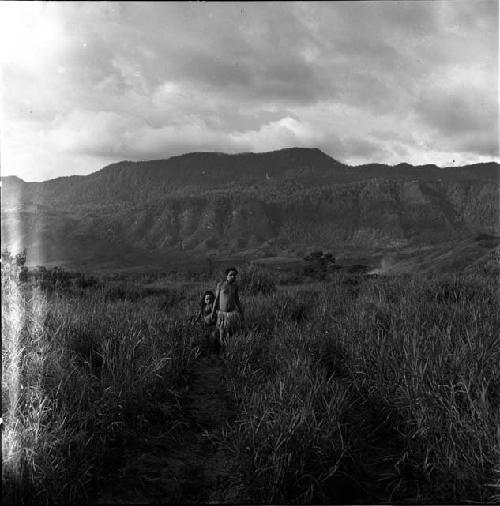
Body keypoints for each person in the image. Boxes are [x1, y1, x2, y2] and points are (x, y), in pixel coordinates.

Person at [211, 267, 244, 352]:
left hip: (231, 314)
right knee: (222, 333)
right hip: (222, 313)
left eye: (234, 275)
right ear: (226, 275)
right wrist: (213, 311)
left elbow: (237, 300)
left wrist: (241, 311)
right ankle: (221, 351)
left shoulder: (235, 286)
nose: (233, 276)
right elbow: (216, 299)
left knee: (231, 333)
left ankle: (229, 351)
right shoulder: (221, 285)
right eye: (231, 275)